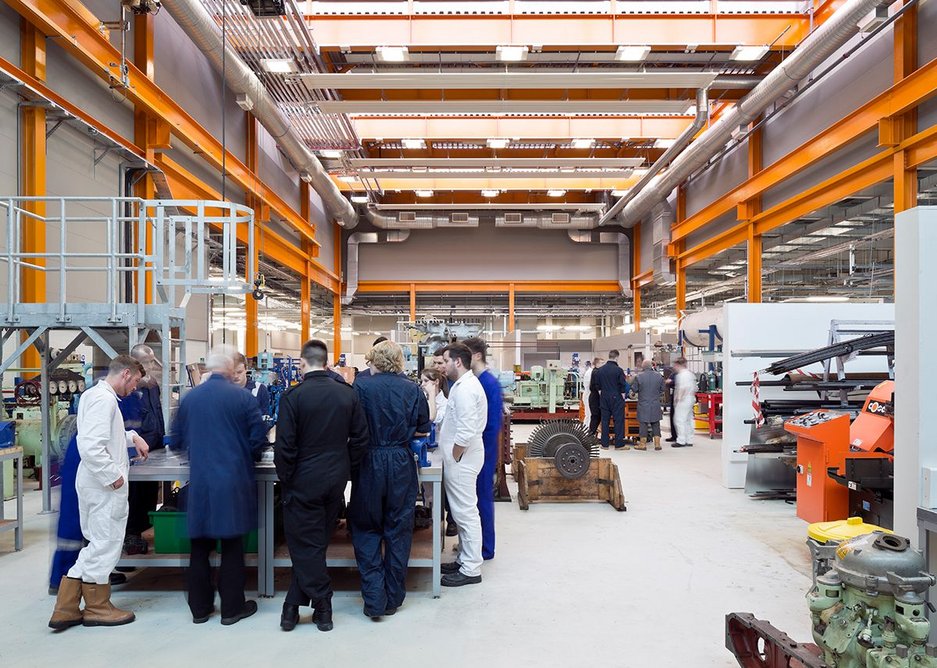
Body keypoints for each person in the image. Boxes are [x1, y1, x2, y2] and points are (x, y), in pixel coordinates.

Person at [275, 339, 369, 633]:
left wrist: (287, 478)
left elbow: (285, 446)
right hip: (335, 480)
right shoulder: (347, 394)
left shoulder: (293, 397)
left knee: (303, 544)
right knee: (314, 544)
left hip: (303, 479)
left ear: (302, 363)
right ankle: (299, 608)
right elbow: (361, 439)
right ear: (327, 363)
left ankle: (321, 603)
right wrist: (346, 467)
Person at [49, 355, 148, 631]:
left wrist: (131, 437)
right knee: (105, 544)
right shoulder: (104, 401)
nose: (135, 389)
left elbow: (104, 434)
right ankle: (97, 607)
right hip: (103, 486)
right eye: (136, 381)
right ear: (126, 374)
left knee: (96, 544)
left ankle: (66, 607)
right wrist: (114, 478)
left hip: (94, 483)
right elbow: (91, 446)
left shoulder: (96, 396)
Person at [173, 349, 267, 626]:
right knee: (231, 546)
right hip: (233, 481)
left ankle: (200, 609)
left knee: (199, 548)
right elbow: (258, 439)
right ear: (230, 369)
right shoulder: (242, 398)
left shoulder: (191, 399)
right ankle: (231, 609)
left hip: (200, 481)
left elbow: (177, 440)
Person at [350, 341, 431, 618]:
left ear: (374, 359)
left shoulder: (360, 387)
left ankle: (374, 599)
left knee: (366, 528)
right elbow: (423, 429)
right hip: (399, 462)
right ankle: (393, 598)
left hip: (368, 461)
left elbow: (351, 428)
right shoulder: (413, 389)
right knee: (398, 530)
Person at [438, 343, 487, 587]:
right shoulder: (462, 385)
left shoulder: (466, 388)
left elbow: (466, 430)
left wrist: (455, 455)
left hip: (464, 458)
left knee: (465, 514)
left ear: (458, 361)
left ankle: (471, 569)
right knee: (461, 512)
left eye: (445, 361)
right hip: (463, 457)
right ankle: (466, 559)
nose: (443, 366)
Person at [122, 344, 166, 552]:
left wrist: (163, 439)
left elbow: (157, 414)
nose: (150, 366)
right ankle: (131, 536)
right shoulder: (130, 389)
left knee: (149, 493)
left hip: (154, 448)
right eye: (146, 362)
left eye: (151, 362)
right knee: (134, 495)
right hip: (136, 452)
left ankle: (143, 529)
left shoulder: (152, 385)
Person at [462, 337, 503, 561]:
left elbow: (490, 425)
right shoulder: (478, 380)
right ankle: (475, 545)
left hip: (483, 452)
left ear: (477, 356)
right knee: (474, 501)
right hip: (478, 450)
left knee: (482, 498)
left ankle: (486, 549)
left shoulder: (487, 383)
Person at [589, 349, 629, 450]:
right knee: (618, 420)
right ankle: (619, 444)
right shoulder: (618, 370)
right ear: (617, 357)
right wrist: (623, 397)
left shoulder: (600, 370)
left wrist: (602, 393)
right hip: (616, 397)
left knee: (605, 420)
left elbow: (597, 385)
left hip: (604, 397)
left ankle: (604, 444)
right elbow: (622, 385)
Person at [631, 359, 665, 451]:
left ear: (643, 367)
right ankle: (657, 444)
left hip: (643, 404)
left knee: (643, 424)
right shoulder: (659, 376)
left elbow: (634, 390)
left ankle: (642, 444)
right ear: (652, 366)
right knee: (656, 423)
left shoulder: (639, 377)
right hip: (655, 403)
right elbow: (662, 389)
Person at [232, 353, 272, 423]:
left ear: (246, 369)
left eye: (239, 372)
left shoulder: (260, 389)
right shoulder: (223, 391)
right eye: (232, 373)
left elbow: (265, 419)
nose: (236, 376)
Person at [672, 357, 697, 448]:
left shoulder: (682, 375)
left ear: (678, 365)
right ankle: (689, 439)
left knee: (679, 420)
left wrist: (677, 399)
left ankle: (681, 440)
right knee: (688, 420)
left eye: (675, 365)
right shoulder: (690, 374)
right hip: (690, 398)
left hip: (683, 400)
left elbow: (683, 389)